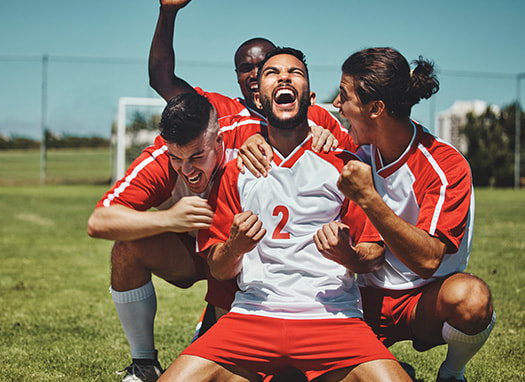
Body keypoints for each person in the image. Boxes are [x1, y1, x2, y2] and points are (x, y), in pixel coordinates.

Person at [158, 47, 412, 382]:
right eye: (272, 73)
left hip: (332, 318)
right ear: (259, 101)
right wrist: (235, 246)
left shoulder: (344, 167)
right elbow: (218, 269)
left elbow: (374, 256)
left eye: (295, 72)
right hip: (252, 317)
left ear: (311, 97)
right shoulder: (236, 170)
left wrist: (347, 254)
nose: (284, 77)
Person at [328, 47, 496, 382]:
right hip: (364, 297)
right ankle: (391, 369)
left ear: (375, 108)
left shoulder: (445, 165)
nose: (336, 105)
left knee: (472, 298)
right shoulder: (357, 150)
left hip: (425, 300)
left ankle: (452, 373)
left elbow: (428, 259)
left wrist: (370, 199)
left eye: (343, 95)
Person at [87, 92, 266, 381]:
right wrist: (170, 218)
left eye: (197, 156)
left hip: (248, 258)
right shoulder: (159, 160)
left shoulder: (249, 135)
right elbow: (99, 220)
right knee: (127, 249)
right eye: (177, 158)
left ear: (219, 140)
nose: (187, 169)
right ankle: (144, 364)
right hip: (195, 255)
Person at [149, 0, 354, 152]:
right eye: (246, 68)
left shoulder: (317, 117)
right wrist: (168, 12)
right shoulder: (221, 113)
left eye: (266, 68)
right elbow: (162, 81)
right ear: (237, 75)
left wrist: (328, 138)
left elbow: (357, 159)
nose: (255, 75)